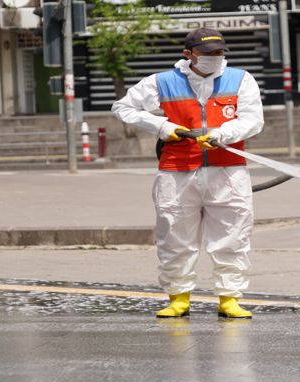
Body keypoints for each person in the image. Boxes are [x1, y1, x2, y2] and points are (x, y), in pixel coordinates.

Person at [111, 28, 264, 319]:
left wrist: (223, 133)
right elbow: (123, 107)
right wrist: (162, 127)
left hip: (228, 172)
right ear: (188, 55)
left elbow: (253, 120)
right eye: (208, 54)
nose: (215, 59)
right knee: (175, 237)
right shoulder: (162, 82)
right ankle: (178, 297)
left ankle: (229, 298)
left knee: (233, 236)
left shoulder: (241, 79)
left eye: (220, 53)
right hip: (177, 171)